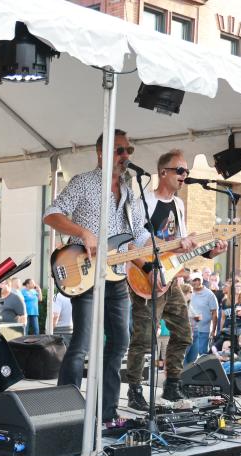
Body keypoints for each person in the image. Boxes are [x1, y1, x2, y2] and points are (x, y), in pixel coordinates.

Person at [42, 129, 151, 425]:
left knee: (119, 343)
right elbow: (51, 214)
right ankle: (64, 412)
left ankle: (106, 412)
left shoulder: (129, 192)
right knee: (81, 344)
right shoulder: (84, 182)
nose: (125, 155)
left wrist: (177, 245)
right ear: (101, 153)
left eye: (128, 150)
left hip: (117, 277)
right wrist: (82, 232)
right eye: (119, 150)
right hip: (85, 274)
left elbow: (138, 236)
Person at [124, 149, 226, 410]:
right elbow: (136, 242)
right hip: (146, 274)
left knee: (184, 334)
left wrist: (209, 249)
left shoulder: (179, 205)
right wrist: (165, 253)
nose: (184, 176)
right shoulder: (143, 202)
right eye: (179, 171)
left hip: (170, 278)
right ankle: (135, 390)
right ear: (163, 172)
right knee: (144, 338)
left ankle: (172, 386)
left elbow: (180, 247)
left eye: (186, 172)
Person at [184, 272, 218, 365]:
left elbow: (215, 313)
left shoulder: (209, 294)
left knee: (201, 357)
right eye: (194, 280)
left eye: (198, 279)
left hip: (203, 331)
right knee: (186, 357)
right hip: (189, 330)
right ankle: (186, 377)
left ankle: (198, 377)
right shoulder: (188, 293)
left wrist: (213, 330)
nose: (197, 282)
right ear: (191, 281)